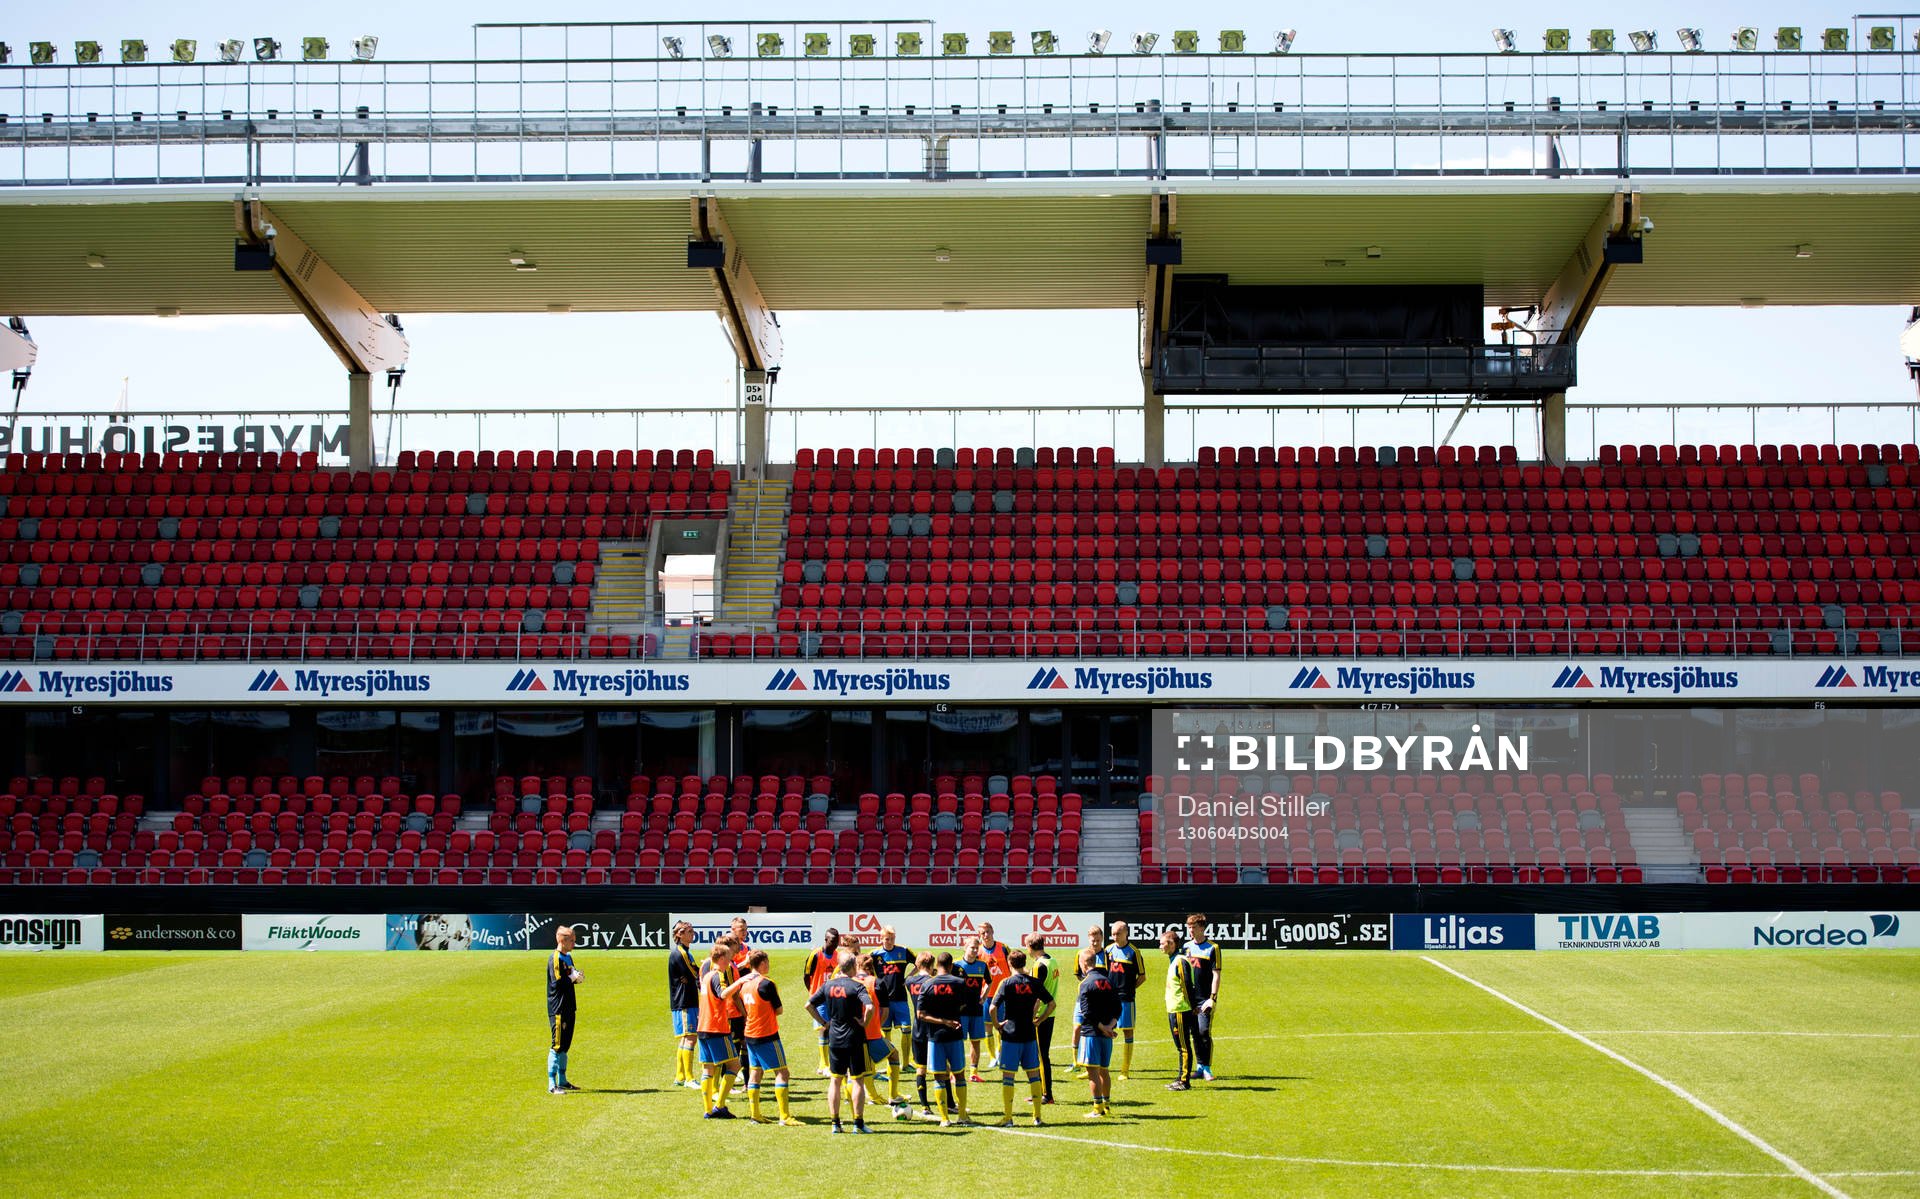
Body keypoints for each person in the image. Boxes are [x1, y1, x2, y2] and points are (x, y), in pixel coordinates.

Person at [808, 952, 877, 1134]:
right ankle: (858, 1124)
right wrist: (865, 1022)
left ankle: (835, 1124)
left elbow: (809, 1005)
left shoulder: (828, 985)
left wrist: (824, 1023)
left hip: (835, 1039)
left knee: (835, 1080)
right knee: (858, 1080)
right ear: (854, 966)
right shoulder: (857, 986)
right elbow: (870, 1006)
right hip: (855, 1038)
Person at [736, 950, 801, 1125]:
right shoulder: (766, 984)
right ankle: (784, 1116)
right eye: (767, 962)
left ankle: (755, 1115)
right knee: (782, 1072)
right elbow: (779, 1010)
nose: (769, 965)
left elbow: (738, 1000)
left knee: (756, 1072)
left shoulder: (744, 984)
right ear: (763, 963)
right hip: (767, 1033)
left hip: (750, 1033)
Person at [988, 948, 1051, 1126]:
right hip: (1029, 1034)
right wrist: (1039, 1020)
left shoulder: (1006, 983)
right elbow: (1051, 1003)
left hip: (1011, 1035)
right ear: (1025, 963)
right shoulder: (1035, 983)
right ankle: (1037, 1117)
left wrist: (997, 1025)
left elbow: (992, 1008)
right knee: (1034, 1076)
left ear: (1009, 964)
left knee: (1008, 1078)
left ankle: (1008, 1118)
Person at [915, 952, 973, 1126]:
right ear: (951, 966)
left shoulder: (927, 984)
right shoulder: (959, 983)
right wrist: (950, 1018)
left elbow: (920, 1014)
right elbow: (965, 1004)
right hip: (955, 1035)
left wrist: (942, 1021)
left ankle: (944, 1119)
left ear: (937, 966)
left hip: (935, 1037)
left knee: (939, 1077)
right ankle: (962, 1115)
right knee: (960, 1076)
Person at [1074, 946, 1120, 1118]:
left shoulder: (1085, 983)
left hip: (1091, 1033)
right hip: (1106, 1034)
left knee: (1092, 1072)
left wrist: (1102, 1027)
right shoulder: (1108, 981)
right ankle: (1106, 1105)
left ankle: (1097, 1107)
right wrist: (1110, 1026)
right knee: (1104, 1070)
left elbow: (1086, 1012)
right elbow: (1118, 1007)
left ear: (1084, 964)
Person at [695, 942, 740, 1117]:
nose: (730, 962)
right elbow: (723, 994)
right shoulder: (718, 975)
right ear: (721, 959)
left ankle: (708, 1109)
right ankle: (719, 1106)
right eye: (728, 958)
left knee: (708, 1069)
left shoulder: (706, 976)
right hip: (717, 1027)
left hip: (703, 1026)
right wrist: (740, 982)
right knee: (734, 1065)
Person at [873, 925, 916, 1093]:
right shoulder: (875, 955)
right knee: (885, 1032)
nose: (889, 941)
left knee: (907, 1030)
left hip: (900, 999)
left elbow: (919, 963)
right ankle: (888, 1063)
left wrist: (909, 977)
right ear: (881, 938)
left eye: (891, 938)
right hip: (883, 1001)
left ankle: (906, 1063)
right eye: (886, 938)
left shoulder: (903, 951)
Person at [905, 950, 946, 1119]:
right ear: (931, 965)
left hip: (917, 1029)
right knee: (941, 1068)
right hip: (933, 1028)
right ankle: (949, 1104)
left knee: (920, 1068)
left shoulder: (910, 981)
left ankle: (924, 1106)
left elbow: (908, 978)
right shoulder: (933, 982)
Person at [1184, 913, 1223, 1081]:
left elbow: (1216, 974)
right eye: (1189, 927)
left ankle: (1207, 1068)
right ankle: (1199, 1067)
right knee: (1194, 1032)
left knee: (1204, 1030)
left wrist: (1212, 998)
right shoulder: (1186, 947)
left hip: (1205, 998)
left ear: (1202, 928)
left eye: (1193, 927)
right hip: (1189, 999)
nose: (1190, 930)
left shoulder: (1213, 948)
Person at [1105, 920, 1145, 1081]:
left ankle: (1125, 1070)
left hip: (1126, 999)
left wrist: (1130, 989)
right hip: (1109, 999)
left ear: (1126, 933)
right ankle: (1101, 1066)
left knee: (1127, 1032)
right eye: (1113, 934)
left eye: (1118, 933)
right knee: (1105, 1030)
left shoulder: (1134, 952)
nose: (1115, 936)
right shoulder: (1108, 950)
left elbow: (1142, 976)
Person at [1161, 928, 1200, 1091]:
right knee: (1180, 1046)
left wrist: (1193, 1006)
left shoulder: (1180, 961)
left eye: (1162, 943)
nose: (1160, 947)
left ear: (1171, 944)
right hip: (1175, 1009)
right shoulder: (1174, 960)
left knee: (1183, 1046)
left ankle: (1184, 1081)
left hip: (1181, 1009)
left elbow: (1187, 986)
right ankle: (1180, 1077)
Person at [545, 924, 582, 1095]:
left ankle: (563, 1080)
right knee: (557, 1045)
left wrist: (577, 978)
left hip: (569, 1006)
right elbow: (557, 982)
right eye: (572, 940)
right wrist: (572, 978)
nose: (574, 943)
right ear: (562, 940)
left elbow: (569, 977)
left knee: (565, 1045)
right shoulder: (555, 958)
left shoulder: (568, 957)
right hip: (558, 1008)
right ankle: (552, 1084)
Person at [1025, 932, 1060, 1104]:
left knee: (1041, 1056)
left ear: (1030, 947)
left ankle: (1047, 1095)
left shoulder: (1039, 966)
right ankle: (1040, 1092)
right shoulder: (1052, 961)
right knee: (1041, 1054)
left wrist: (1032, 1016)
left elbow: (1036, 995)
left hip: (1041, 1015)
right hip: (1050, 1014)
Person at [667, 920, 702, 1089]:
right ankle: (689, 1078)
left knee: (685, 1038)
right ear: (679, 934)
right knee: (690, 1038)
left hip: (685, 999)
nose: (692, 934)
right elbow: (694, 972)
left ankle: (680, 1076)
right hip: (684, 1001)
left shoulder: (685, 952)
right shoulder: (680, 953)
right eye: (689, 931)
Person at [1070, 923, 1108, 1078]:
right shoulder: (1081, 954)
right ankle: (1075, 1063)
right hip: (1083, 997)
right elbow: (1077, 974)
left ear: (1102, 939)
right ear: (1088, 939)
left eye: (1098, 940)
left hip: (1100, 1001)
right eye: (1093, 940)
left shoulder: (1107, 955)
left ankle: (1092, 1065)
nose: (1095, 943)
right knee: (1077, 1027)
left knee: (1093, 1030)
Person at [803, 927, 842, 1075]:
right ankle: (823, 1064)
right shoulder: (815, 955)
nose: (835, 944)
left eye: (837, 941)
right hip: (820, 999)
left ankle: (829, 1062)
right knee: (823, 1028)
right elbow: (806, 975)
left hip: (834, 997)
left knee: (833, 1029)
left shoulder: (838, 956)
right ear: (826, 940)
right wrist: (813, 993)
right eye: (833, 941)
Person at [958, 938, 992, 1080]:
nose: (974, 950)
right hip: (960, 1012)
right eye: (972, 947)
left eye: (976, 948)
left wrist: (984, 997)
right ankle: (956, 1072)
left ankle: (973, 1073)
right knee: (957, 1042)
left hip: (976, 1010)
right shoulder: (956, 966)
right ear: (965, 947)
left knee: (976, 1041)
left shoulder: (982, 966)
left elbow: (989, 982)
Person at [977, 922, 1012, 1055]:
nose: (986, 935)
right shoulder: (978, 951)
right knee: (988, 1027)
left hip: (1004, 994)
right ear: (979, 935)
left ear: (993, 931)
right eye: (983, 933)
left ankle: (1000, 1053)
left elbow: (1012, 966)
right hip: (987, 995)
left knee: (1002, 1025)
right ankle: (992, 1057)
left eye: (988, 931)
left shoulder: (1003, 948)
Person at [728, 919, 754, 1085]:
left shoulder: (747, 948)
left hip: (745, 995)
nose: (745, 932)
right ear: (733, 929)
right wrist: (744, 963)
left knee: (745, 1037)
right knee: (734, 1038)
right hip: (733, 999)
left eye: (746, 929)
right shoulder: (728, 948)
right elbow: (728, 969)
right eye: (741, 929)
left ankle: (745, 1077)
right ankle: (731, 1071)